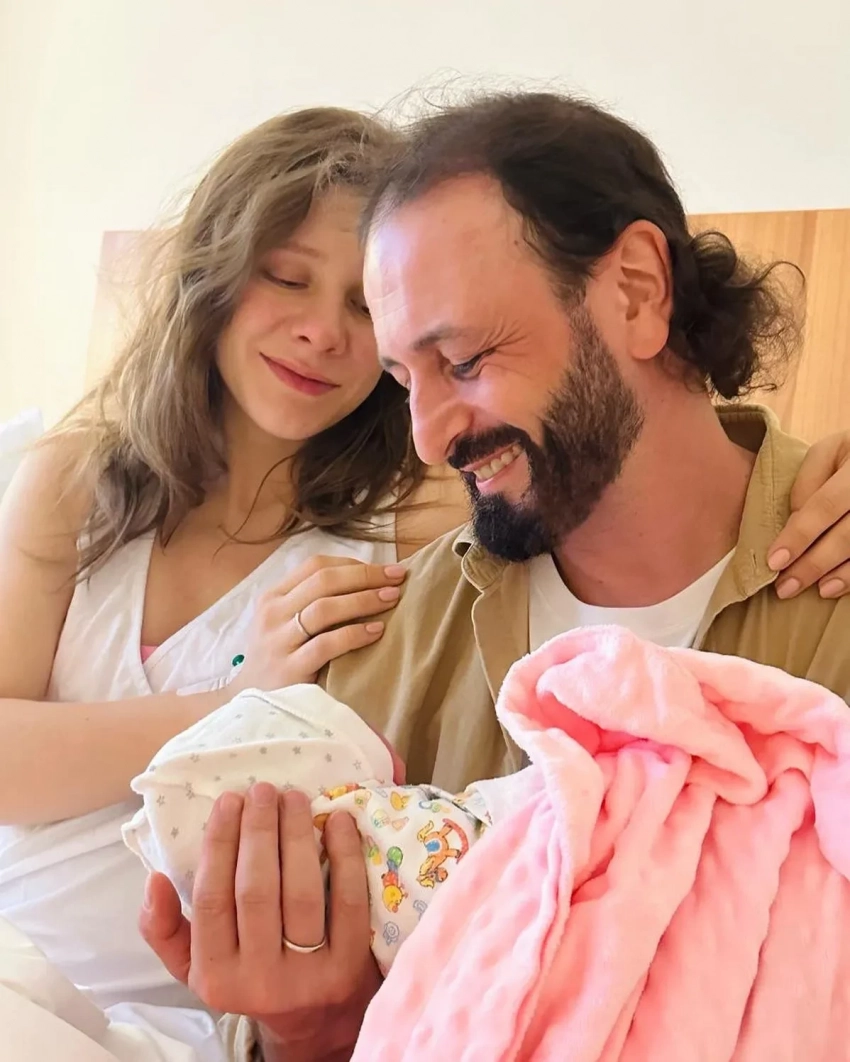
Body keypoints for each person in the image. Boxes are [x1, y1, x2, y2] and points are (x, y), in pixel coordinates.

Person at [139, 91, 850, 1061]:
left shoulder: (828, 588)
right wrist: (310, 1030)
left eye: (465, 359)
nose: (430, 439)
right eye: (403, 381)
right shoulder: (383, 657)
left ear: (636, 291)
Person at [0, 106, 469, 1025]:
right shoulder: (73, 478)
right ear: (211, 277)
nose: (323, 333)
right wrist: (236, 705)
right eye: (287, 278)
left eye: (366, 306)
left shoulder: (419, 521)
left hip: (191, 1025)